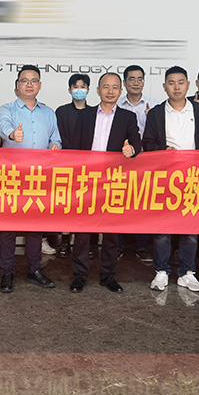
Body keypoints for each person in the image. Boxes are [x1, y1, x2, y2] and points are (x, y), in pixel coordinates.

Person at [143, 66, 199, 293]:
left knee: (190, 228)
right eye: (171, 83)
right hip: (165, 177)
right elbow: (147, 143)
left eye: (181, 82)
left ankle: (187, 273)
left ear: (188, 85)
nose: (176, 87)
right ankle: (161, 271)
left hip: (193, 177)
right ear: (164, 87)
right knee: (163, 229)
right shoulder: (156, 113)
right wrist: (162, 150)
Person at [66, 73, 141, 293]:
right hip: (86, 180)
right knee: (82, 232)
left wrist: (132, 149)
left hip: (112, 181)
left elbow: (137, 141)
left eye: (115, 87)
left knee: (110, 233)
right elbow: (76, 146)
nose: (110, 91)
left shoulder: (128, 117)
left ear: (121, 91)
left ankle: (108, 276)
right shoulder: (86, 115)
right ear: (98, 91)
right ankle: (80, 275)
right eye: (106, 87)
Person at [0, 65, 61, 293]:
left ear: (40, 85)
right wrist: (12, 134)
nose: (29, 84)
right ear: (17, 86)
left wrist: (55, 145)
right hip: (12, 176)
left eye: (34, 80)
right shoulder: (7, 109)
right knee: (8, 227)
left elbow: (56, 139)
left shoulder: (48, 113)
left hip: (39, 177)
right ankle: (7, 272)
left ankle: (35, 270)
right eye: (24, 80)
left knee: (36, 226)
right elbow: (3, 126)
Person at [116, 65, 155, 264]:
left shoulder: (154, 105)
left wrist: (152, 119)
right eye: (132, 79)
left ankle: (142, 247)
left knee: (142, 204)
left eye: (140, 79)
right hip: (121, 160)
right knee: (119, 203)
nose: (136, 82)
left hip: (146, 162)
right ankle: (118, 246)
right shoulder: (116, 104)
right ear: (124, 83)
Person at [55, 73, 94, 258]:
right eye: (76, 87)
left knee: (88, 205)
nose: (79, 90)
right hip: (67, 166)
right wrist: (72, 157)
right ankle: (65, 242)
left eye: (83, 87)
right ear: (69, 90)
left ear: (89, 90)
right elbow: (59, 136)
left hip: (90, 168)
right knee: (67, 205)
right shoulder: (61, 112)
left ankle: (89, 243)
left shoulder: (94, 112)